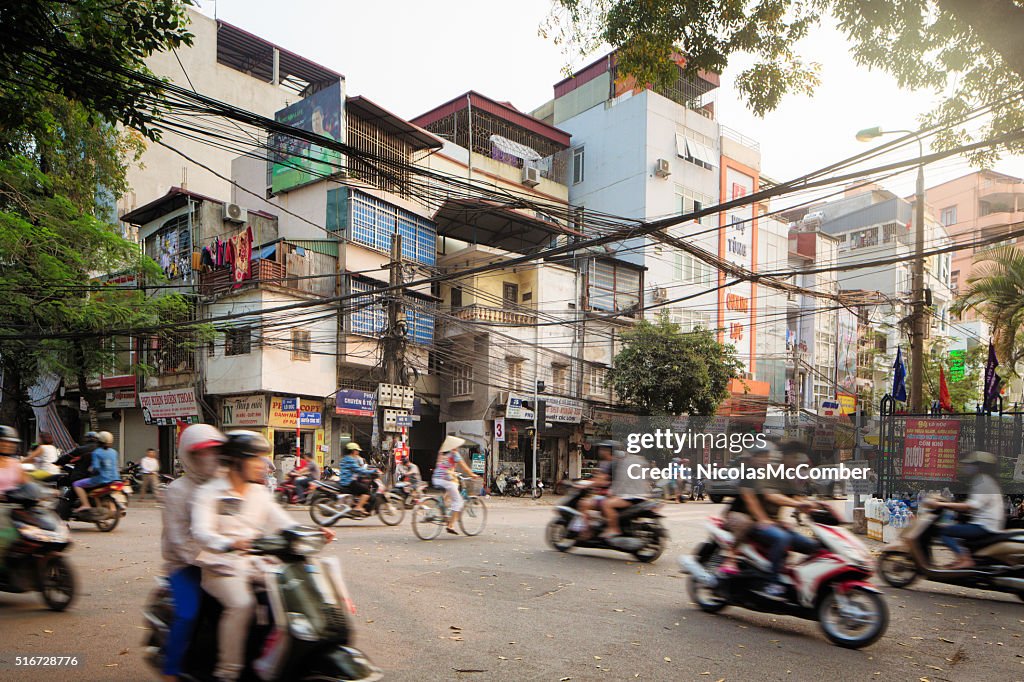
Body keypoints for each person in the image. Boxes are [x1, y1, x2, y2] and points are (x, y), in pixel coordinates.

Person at [192, 431, 335, 682]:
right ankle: (228, 671)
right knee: (242, 604)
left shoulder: (259, 493)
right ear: (236, 461)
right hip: (220, 565)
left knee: (292, 595)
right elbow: (201, 532)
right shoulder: (210, 492)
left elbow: (284, 524)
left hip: (255, 561)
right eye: (255, 459)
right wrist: (228, 542)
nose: (262, 465)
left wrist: (314, 532)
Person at [159, 424, 227, 682]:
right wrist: (209, 559)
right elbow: (179, 540)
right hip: (186, 565)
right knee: (188, 613)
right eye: (202, 453)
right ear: (190, 456)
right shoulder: (178, 489)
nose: (209, 458)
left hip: (225, 561)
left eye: (214, 452)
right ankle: (171, 670)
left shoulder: (223, 484)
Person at [926, 451, 1005, 569]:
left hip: (985, 525)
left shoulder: (982, 481)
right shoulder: (986, 480)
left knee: (944, 531)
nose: (968, 467)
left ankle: (964, 559)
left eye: (972, 464)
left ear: (980, 466)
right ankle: (962, 558)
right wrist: (948, 503)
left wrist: (942, 504)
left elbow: (972, 506)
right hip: (986, 523)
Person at [601, 442, 651, 540]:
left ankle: (614, 529)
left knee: (606, 504)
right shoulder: (643, 461)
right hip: (643, 496)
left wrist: (612, 492)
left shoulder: (626, 462)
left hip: (630, 497)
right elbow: (647, 479)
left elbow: (622, 480)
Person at [432, 436, 479, 535]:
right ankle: (451, 525)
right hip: (446, 479)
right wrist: (472, 474)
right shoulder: (454, 453)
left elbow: (444, 466)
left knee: (451, 490)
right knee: (459, 502)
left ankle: (444, 509)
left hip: (436, 478)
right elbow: (464, 466)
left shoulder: (441, 453)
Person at [72, 431, 120, 511]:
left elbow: (96, 468)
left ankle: (85, 504)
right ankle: (112, 508)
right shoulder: (114, 452)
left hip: (102, 479)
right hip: (115, 479)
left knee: (76, 484)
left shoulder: (97, 452)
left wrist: (90, 471)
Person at [338, 442, 375, 516]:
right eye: (357, 450)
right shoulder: (350, 459)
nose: (358, 452)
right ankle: (358, 507)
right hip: (349, 481)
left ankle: (355, 504)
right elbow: (358, 469)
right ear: (353, 451)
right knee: (366, 491)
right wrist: (372, 471)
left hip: (345, 480)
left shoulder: (345, 458)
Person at [0, 426, 27, 496]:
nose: (9, 445)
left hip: (13, 503)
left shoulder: (14, 463)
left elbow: (26, 483)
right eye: (5, 441)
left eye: (12, 442)